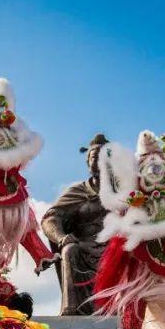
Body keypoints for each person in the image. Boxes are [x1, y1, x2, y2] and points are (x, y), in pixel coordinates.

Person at [41, 133, 109, 315]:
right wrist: (62, 238)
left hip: (114, 247)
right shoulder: (77, 191)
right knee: (70, 250)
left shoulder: (125, 191)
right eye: (95, 157)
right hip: (84, 246)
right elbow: (50, 218)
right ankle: (73, 310)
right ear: (88, 162)